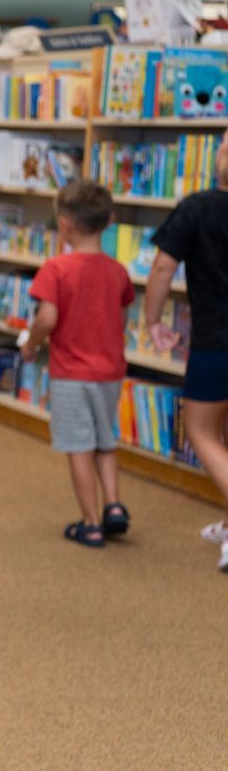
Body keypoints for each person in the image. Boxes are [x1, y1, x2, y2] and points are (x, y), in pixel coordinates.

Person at [20, 180, 135, 546]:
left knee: (79, 446)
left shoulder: (55, 269)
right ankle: (114, 505)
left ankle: (90, 522)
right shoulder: (117, 271)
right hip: (110, 372)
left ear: (64, 224)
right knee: (105, 441)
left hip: (71, 374)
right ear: (110, 220)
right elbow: (123, 317)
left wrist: (32, 343)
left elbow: (48, 318)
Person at [143, 136, 228, 570]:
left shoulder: (197, 207)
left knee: (203, 433)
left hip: (217, 341)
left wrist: (153, 320)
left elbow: (162, 267)